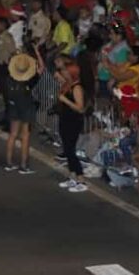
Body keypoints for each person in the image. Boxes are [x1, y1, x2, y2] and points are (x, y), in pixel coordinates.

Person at [55, 57, 88, 193]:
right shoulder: (68, 84)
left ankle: (81, 179)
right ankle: (72, 176)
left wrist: (65, 101)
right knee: (67, 150)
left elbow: (80, 108)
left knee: (70, 150)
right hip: (65, 119)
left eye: (66, 72)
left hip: (73, 121)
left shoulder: (77, 88)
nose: (64, 74)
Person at [3, 53, 39, 174]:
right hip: (27, 107)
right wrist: (37, 52)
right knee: (25, 137)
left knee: (12, 134)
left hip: (13, 106)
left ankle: (8, 162)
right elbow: (41, 70)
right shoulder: (30, 81)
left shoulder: (8, 79)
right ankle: (23, 165)